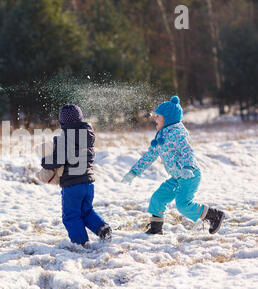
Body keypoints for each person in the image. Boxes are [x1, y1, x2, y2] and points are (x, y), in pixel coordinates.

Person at [121, 96, 225, 235]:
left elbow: (187, 151)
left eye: (158, 116)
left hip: (190, 175)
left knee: (183, 205)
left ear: (168, 118)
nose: (154, 118)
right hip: (177, 177)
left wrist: (187, 167)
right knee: (158, 198)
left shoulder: (178, 133)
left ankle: (214, 215)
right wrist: (133, 172)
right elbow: (149, 156)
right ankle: (155, 229)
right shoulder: (160, 137)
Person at [41, 104, 112, 245]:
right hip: (88, 183)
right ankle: (102, 228)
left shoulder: (65, 139)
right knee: (86, 211)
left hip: (72, 185)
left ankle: (81, 243)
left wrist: (45, 162)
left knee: (71, 216)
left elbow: (57, 160)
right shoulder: (88, 136)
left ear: (62, 123)